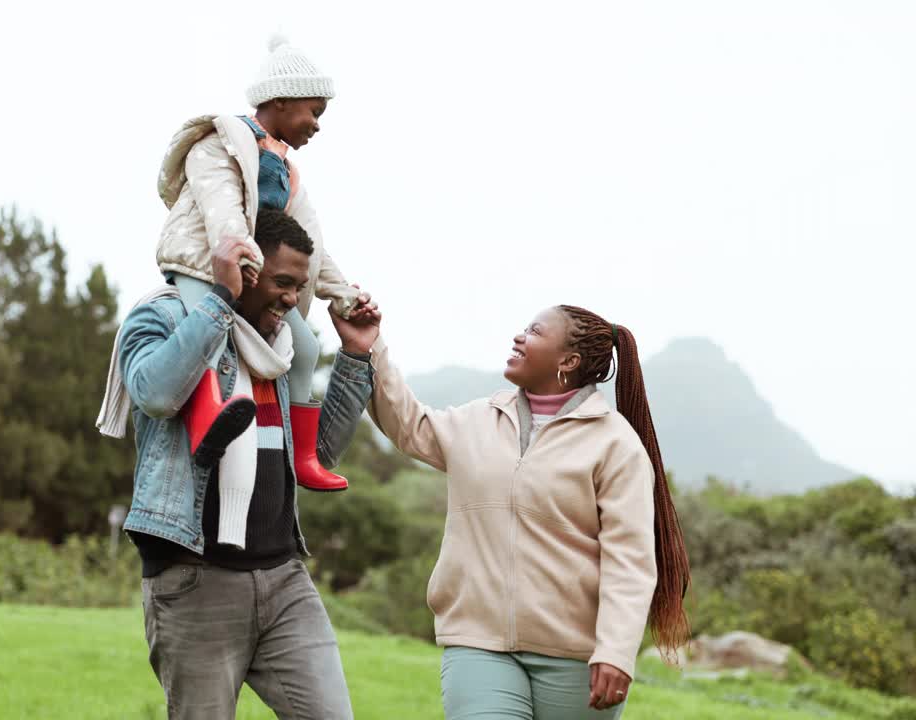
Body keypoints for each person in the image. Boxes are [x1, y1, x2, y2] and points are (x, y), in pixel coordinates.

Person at [114, 208, 381, 719]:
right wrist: (220, 299)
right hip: (196, 581)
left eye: (300, 287)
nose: (291, 299)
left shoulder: (278, 349)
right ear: (245, 270)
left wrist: (355, 354)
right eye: (282, 283)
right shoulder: (162, 317)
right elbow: (154, 393)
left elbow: (317, 453)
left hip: (283, 580)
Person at [367, 304, 691, 719]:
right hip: (478, 644)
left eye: (534, 332)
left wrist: (615, 650)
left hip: (577, 658)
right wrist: (371, 347)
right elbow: (408, 425)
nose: (519, 337)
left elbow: (629, 561)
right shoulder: (479, 420)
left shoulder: (616, 445)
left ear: (568, 361)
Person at [147, 34, 360, 492]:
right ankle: (206, 418)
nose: (318, 126)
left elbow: (311, 244)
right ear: (280, 102)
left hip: (251, 272)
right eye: (314, 112)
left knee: (303, 349)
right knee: (208, 331)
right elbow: (220, 204)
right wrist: (238, 251)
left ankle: (301, 454)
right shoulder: (219, 143)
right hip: (204, 265)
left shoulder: (287, 172)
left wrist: (343, 293)